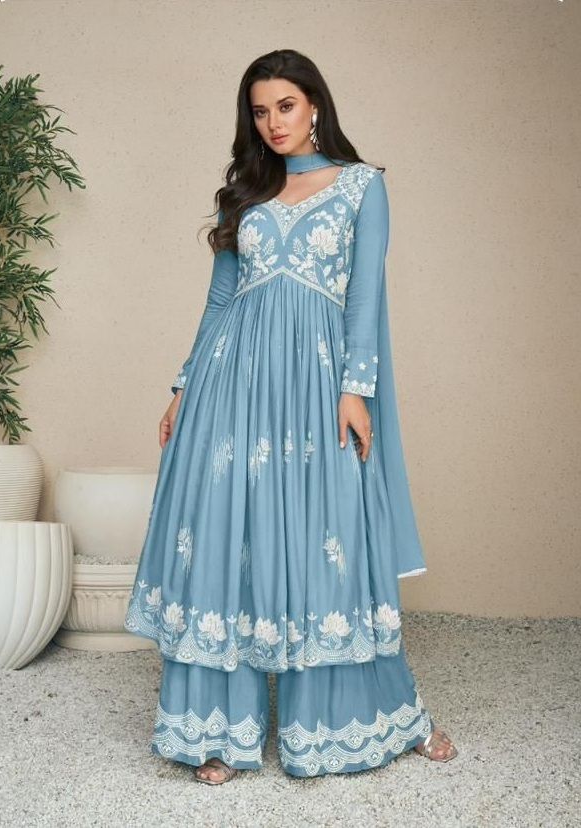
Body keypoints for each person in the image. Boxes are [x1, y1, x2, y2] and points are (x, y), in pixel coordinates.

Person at [125, 48, 458, 784]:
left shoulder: (362, 186)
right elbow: (220, 300)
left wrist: (355, 389)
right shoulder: (243, 194)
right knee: (228, 537)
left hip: (316, 385)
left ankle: (364, 722)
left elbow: (364, 297)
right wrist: (183, 385)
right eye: (259, 111)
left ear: (314, 106)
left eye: (285, 106)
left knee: (326, 542)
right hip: (232, 386)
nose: (272, 123)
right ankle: (218, 733)